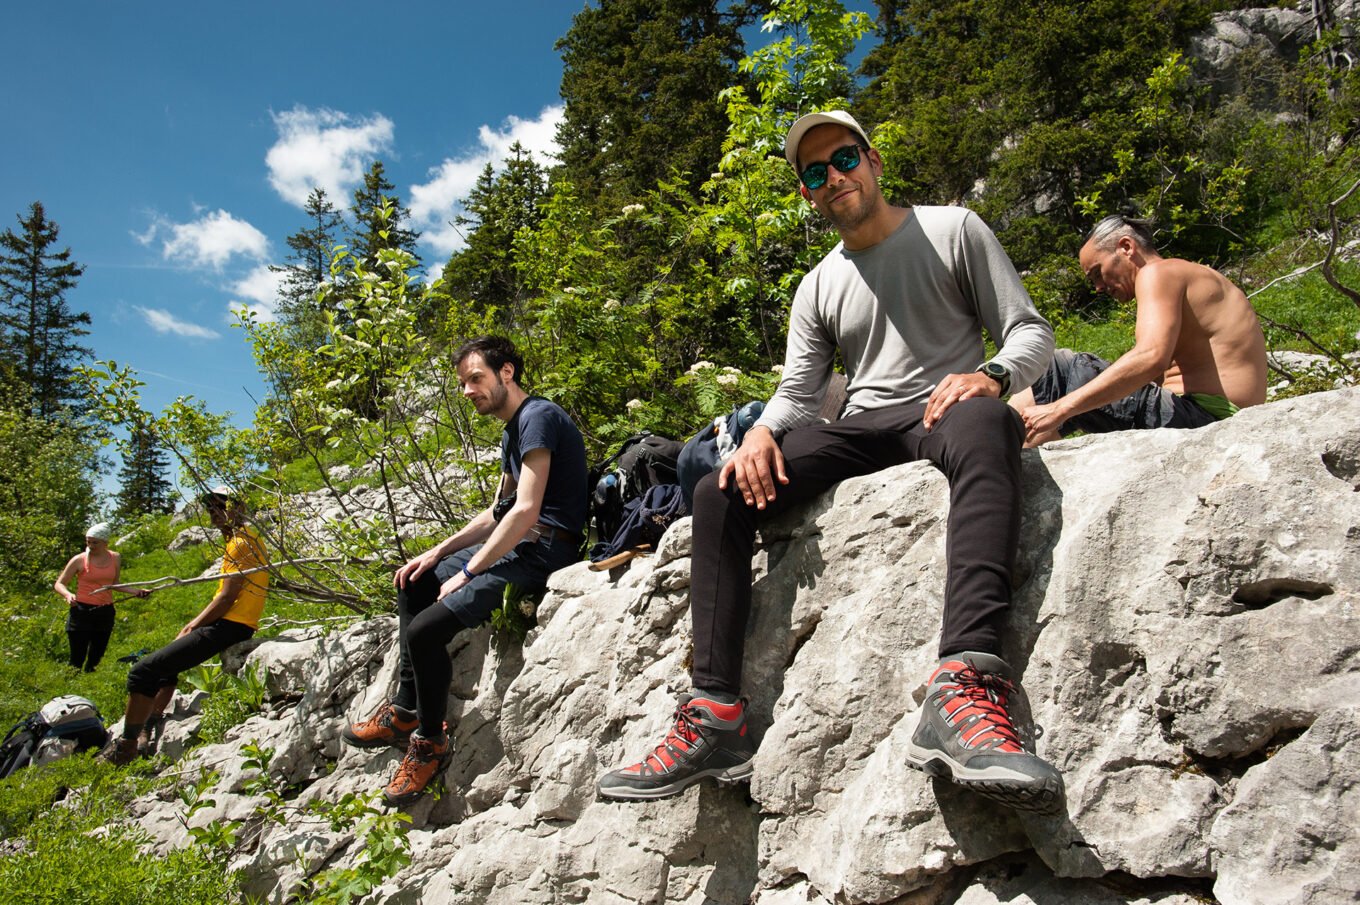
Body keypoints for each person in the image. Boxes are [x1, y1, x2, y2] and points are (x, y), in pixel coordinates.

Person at [598, 110, 1065, 811]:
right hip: (859, 423)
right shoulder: (818, 283)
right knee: (719, 491)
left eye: (842, 158)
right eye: (814, 173)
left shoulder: (952, 230)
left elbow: (1030, 330)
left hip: (944, 403)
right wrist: (759, 436)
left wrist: (991, 374)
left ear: (873, 159)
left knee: (986, 423)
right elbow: (799, 390)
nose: (833, 177)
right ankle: (716, 718)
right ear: (806, 194)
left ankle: (964, 685)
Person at [342, 336, 588, 807]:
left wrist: (469, 571)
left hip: (545, 554)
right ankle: (407, 709)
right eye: (462, 383)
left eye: (476, 378)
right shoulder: (513, 430)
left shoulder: (538, 417)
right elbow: (501, 511)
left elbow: (527, 511)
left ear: (507, 373)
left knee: (426, 631)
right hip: (520, 544)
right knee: (414, 581)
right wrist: (437, 553)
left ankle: (430, 743)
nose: (468, 390)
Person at [1011, 215, 1267, 445]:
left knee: (1057, 367)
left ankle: (1001, 452)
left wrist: (1060, 408)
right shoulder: (1192, 274)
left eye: (1098, 273)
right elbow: (1154, 372)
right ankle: (1023, 458)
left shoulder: (1158, 272)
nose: (1099, 287)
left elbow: (1151, 358)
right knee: (1070, 385)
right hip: (1215, 415)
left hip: (1206, 418)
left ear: (1126, 247)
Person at [101, 487, 268, 764]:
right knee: (165, 663)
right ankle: (148, 723)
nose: (214, 512)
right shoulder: (247, 538)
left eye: (220, 506)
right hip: (237, 623)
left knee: (140, 673)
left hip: (231, 624)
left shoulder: (240, 542)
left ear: (237, 508)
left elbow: (227, 597)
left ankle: (126, 747)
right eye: (211, 507)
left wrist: (193, 625)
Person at [53, 522, 150, 671]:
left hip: (105, 610)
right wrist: (68, 595)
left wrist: (136, 592)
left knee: (96, 656)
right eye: (88, 541)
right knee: (77, 656)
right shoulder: (79, 559)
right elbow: (59, 584)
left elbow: (115, 583)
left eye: (95, 542)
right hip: (81, 610)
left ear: (105, 543)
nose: (91, 545)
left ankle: (90, 682)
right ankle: (71, 683)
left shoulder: (115, 558)